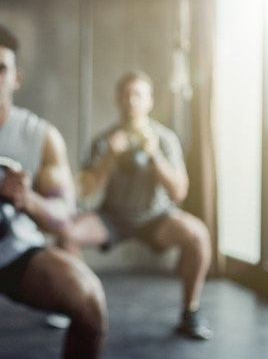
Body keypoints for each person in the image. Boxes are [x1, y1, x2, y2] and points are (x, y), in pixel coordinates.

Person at [0, 24, 107, 359]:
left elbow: (64, 217)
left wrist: (29, 201)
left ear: (17, 78)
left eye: (1, 69)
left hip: (19, 256)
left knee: (89, 300)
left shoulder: (41, 136)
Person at [57, 70, 214, 340]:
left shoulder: (164, 139)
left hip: (156, 218)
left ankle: (190, 312)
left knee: (198, 234)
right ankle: (80, 304)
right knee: (66, 234)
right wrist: (109, 157)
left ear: (149, 101)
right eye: (126, 95)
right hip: (112, 218)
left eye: (137, 95)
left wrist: (154, 157)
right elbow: (86, 193)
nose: (131, 101)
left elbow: (179, 192)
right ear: (118, 100)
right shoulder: (104, 141)